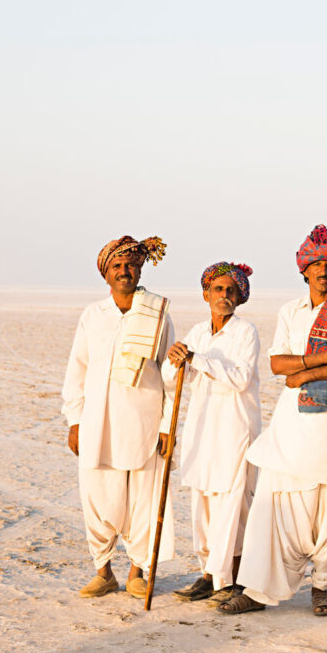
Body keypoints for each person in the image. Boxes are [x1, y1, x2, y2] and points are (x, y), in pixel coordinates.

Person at [218, 225, 327, 616]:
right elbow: (277, 365)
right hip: (292, 424)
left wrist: (300, 373)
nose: (323, 270)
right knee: (277, 502)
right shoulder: (289, 311)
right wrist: (317, 362)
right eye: (315, 263)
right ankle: (258, 589)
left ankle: (322, 587)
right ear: (304, 269)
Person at [61, 235, 175, 599]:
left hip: (143, 424)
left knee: (143, 498)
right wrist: (74, 421)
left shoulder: (158, 314)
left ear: (140, 268)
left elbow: (171, 375)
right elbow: (76, 370)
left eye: (130, 265)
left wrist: (167, 425)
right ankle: (103, 572)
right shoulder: (93, 316)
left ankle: (136, 572)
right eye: (117, 266)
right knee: (99, 497)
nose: (124, 271)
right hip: (97, 425)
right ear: (106, 274)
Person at [164, 262, 261, 605]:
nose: (224, 296)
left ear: (239, 297)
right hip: (203, 431)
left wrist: (197, 358)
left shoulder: (245, 332)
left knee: (233, 503)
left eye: (230, 291)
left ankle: (233, 579)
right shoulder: (198, 333)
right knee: (203, 501)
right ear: (206, 294)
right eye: (218, 290)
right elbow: (171, 376)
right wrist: (177, 358)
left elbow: (239, 379)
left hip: (235, 429)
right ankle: (208, 574)